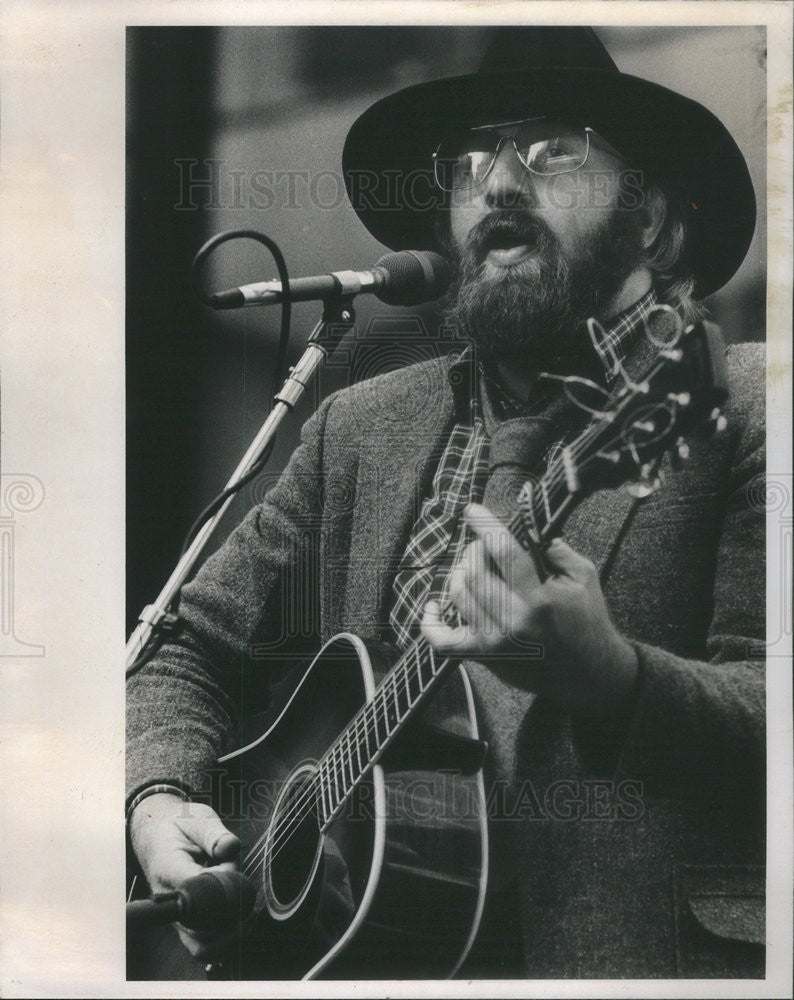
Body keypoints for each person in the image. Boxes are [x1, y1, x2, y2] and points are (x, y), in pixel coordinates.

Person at [127, 27, 765, 979]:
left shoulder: (745, 399)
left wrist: (613, 679)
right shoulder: (359, 426)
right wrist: (159, 802)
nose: (500, 183)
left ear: (656, 224)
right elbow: (185, 645)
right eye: (471, 162)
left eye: (553, 150)